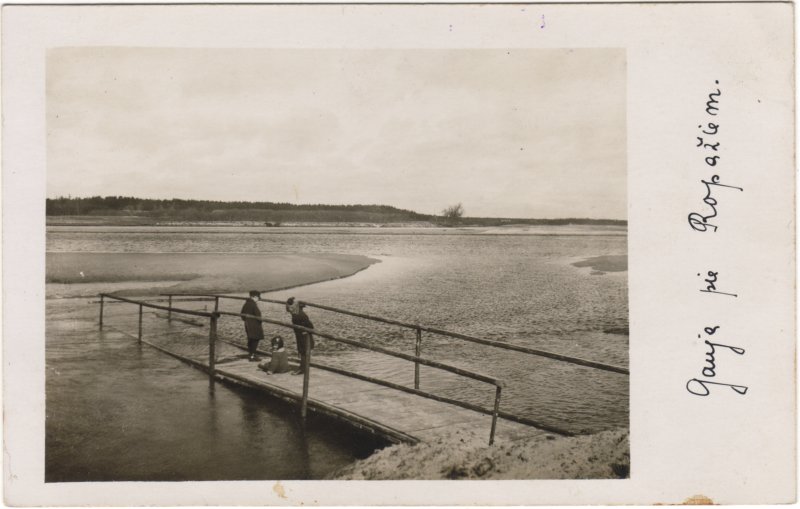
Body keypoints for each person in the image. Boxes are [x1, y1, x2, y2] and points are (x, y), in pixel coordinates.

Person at [285, 297, 315, 375]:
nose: (289, 310)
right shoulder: (296, 313)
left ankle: (303, 369)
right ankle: (303, 368)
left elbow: (310, 326)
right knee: (302, 352)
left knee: (303, 352)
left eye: (290, 308)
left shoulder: (300, 315)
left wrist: (304, 331)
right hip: (300, 335)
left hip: (304, 335)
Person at [240, 290, 264, 362]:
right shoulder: (253, 305)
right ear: (254, 297)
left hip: (248, 324)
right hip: (255, 325)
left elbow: (242, 314)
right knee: (255, 340)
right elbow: (258, 316)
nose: (258, 299)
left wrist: (246, 320)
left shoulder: (246, 303)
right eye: (258, 298)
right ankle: (252, 356)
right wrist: (260, 321)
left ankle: (251, 354)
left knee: (250, 339)